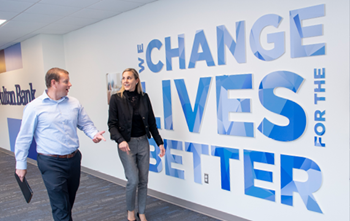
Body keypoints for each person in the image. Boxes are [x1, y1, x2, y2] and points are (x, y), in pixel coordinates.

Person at [15, 67, 106, 221]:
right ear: (54, 83)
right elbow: (24, 137)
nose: (70, 84)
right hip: (50, 163)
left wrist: (93, 134)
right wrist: (20, 164)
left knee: (67, 203)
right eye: (66, 81)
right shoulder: (34, 107)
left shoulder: (74, 103)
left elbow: (85, 124)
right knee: (60, 207)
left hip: (73, 160)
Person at [108, 68, 165, 221]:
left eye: (129, 78)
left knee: (143, 180)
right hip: (126, 144)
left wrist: (159, 142)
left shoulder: (144, 98)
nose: (125, 81)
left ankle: (142, 212)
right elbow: (112, 125)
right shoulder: (116, 99)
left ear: (136, 80)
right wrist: (120, 140)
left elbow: (152, 122)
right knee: (133, 180)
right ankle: (130, 211)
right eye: (124, 78)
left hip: (143, 143)